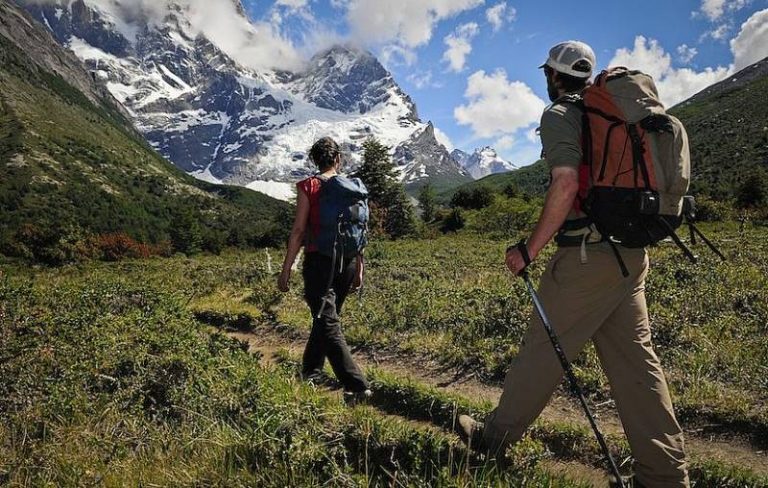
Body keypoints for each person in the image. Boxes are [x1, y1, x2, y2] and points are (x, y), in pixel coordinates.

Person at [457, 41, 690, 488]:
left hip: (585, 258)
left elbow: (565, 184)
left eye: (546, 74)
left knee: (541, 352)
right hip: (630, 253)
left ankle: (493, 440)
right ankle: (665, 476)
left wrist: (528, 250)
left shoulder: (562, 114)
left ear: (553, 76)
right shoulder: (613, 113)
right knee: (637, 365)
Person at [277, 137, 372, 404]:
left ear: (314, 160)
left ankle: (356, 385)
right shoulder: (354, 188)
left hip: (320, 262)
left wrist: (286, 269)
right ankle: (310, 373)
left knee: (327, 321)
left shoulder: (310, 185)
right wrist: (360, 269)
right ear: (338, 159)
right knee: (325, 320)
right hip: (349, 262)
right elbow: (361, 232)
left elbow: (298, 231)